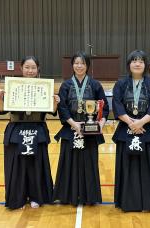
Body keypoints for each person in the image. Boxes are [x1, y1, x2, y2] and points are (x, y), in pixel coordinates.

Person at [0, 56, 60, 210]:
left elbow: (52, 112)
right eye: (27, 67)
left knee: (35, 165)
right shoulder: (13, 86)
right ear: (21, 68)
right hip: (16, 130)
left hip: (37, 130)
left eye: (33, 68)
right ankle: (18, 198)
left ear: (38, 70)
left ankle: (37, 196)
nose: (30, 71)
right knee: (17, 166)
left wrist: (55, 102)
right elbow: (2, 110)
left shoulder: (44, 87)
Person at [53, 51, 109, 206]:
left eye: (82, 63)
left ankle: (89, 196)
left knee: (89, 163)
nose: (79, 66)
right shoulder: (66, 85)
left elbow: (104, 107)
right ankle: (68, 195)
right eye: (76, 63)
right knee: (69, 163)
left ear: (87, 66)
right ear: (72, 65)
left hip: (90, 132)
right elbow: (62, 108)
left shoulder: (95, 85)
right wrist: (74, 124)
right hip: (71, 129)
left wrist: (100, 124)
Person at [112, 50, 150, 212]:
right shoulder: (120, 84)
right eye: (134, 60)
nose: (137, 63)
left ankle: (148, 202)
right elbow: (117, 105)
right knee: (127, 166)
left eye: (141, 61)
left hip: (146, 129)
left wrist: (140, 122)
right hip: (126, 129)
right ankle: (126, 201)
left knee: (147, 166)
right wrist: (131, 123)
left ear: (145, 64)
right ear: (129, 64)